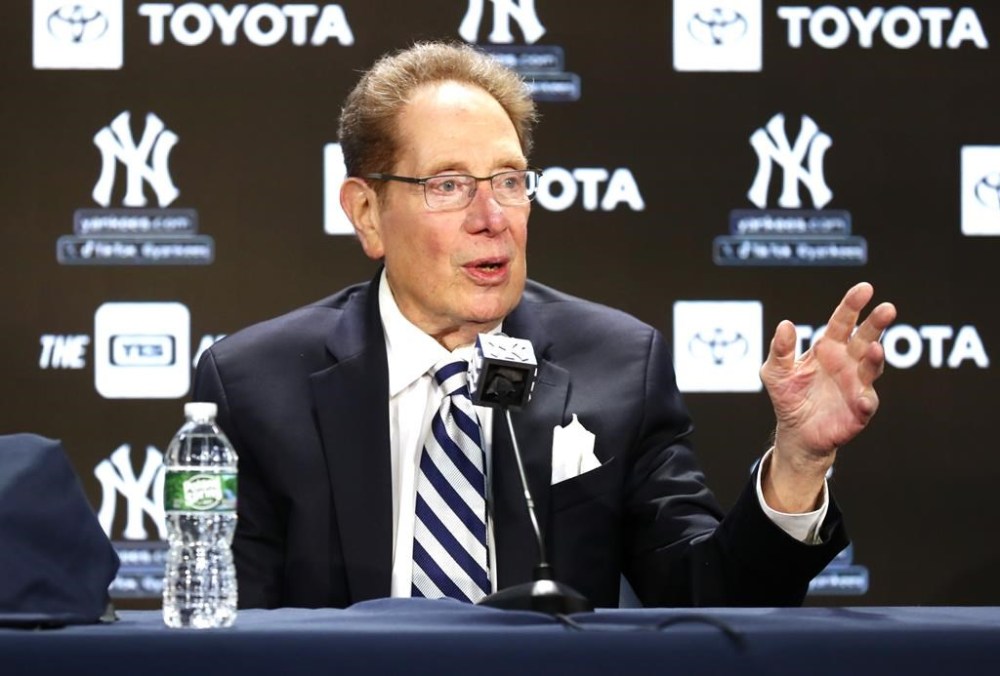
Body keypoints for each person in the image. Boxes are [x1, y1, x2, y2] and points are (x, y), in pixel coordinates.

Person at [193, 41, 897, 609]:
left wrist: (800, 461)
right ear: (366, 212)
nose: (491, 217)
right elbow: (226, 629)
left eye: (508, 180)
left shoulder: (615, 365)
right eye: (448, 185)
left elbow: (710, 597)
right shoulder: (256, 386)